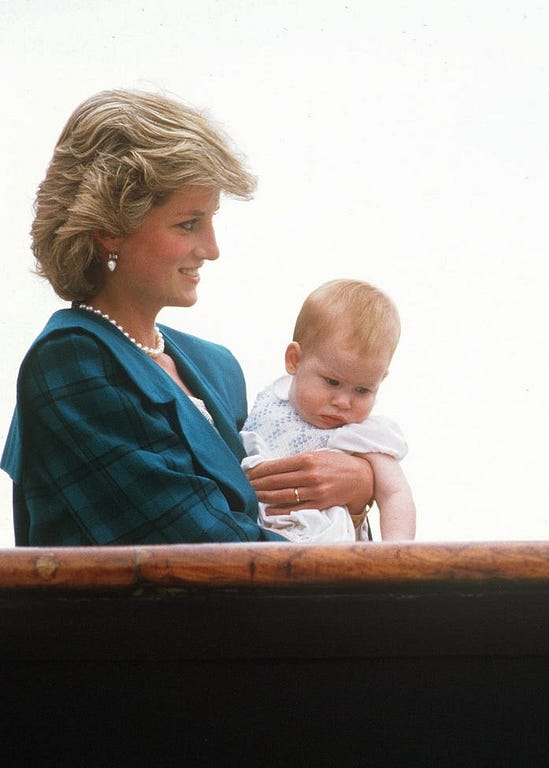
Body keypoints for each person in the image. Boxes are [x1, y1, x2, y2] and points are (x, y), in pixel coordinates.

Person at [1, 89, 372, 545]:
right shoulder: (70, 361)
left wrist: (359, 487)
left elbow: (277, 524)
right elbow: (204, 551)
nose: (212, 249)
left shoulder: (216, 367)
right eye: (189, 223)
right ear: (109, 230)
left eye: (212, 219)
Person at [241, 279, 416, 542]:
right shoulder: (269, 403)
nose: (344, 402)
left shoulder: (364, 434)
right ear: (294, 360)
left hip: (327, 548)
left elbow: (396, 493)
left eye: (363, 390)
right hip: (250, 534)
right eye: (332, 382)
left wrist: (397, 552)